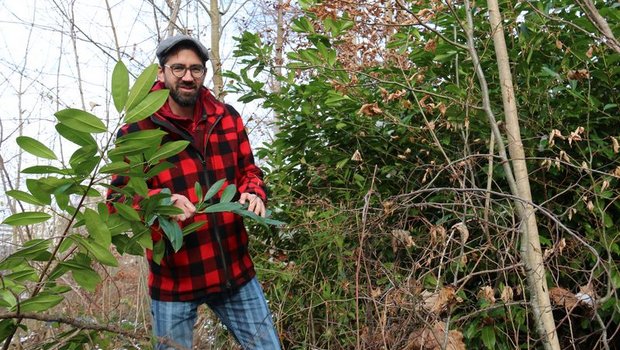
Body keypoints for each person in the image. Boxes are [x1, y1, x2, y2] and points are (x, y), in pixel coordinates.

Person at [107, 34, 281, 350]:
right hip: (175, 281)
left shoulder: (226, 117)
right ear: (161, 73)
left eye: (196, 69)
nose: (188, 76)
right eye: (178, 68)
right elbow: (118, 201)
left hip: (234, 272)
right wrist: (160, 202)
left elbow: (249, 172)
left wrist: (254, 192)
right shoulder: (138, 129)